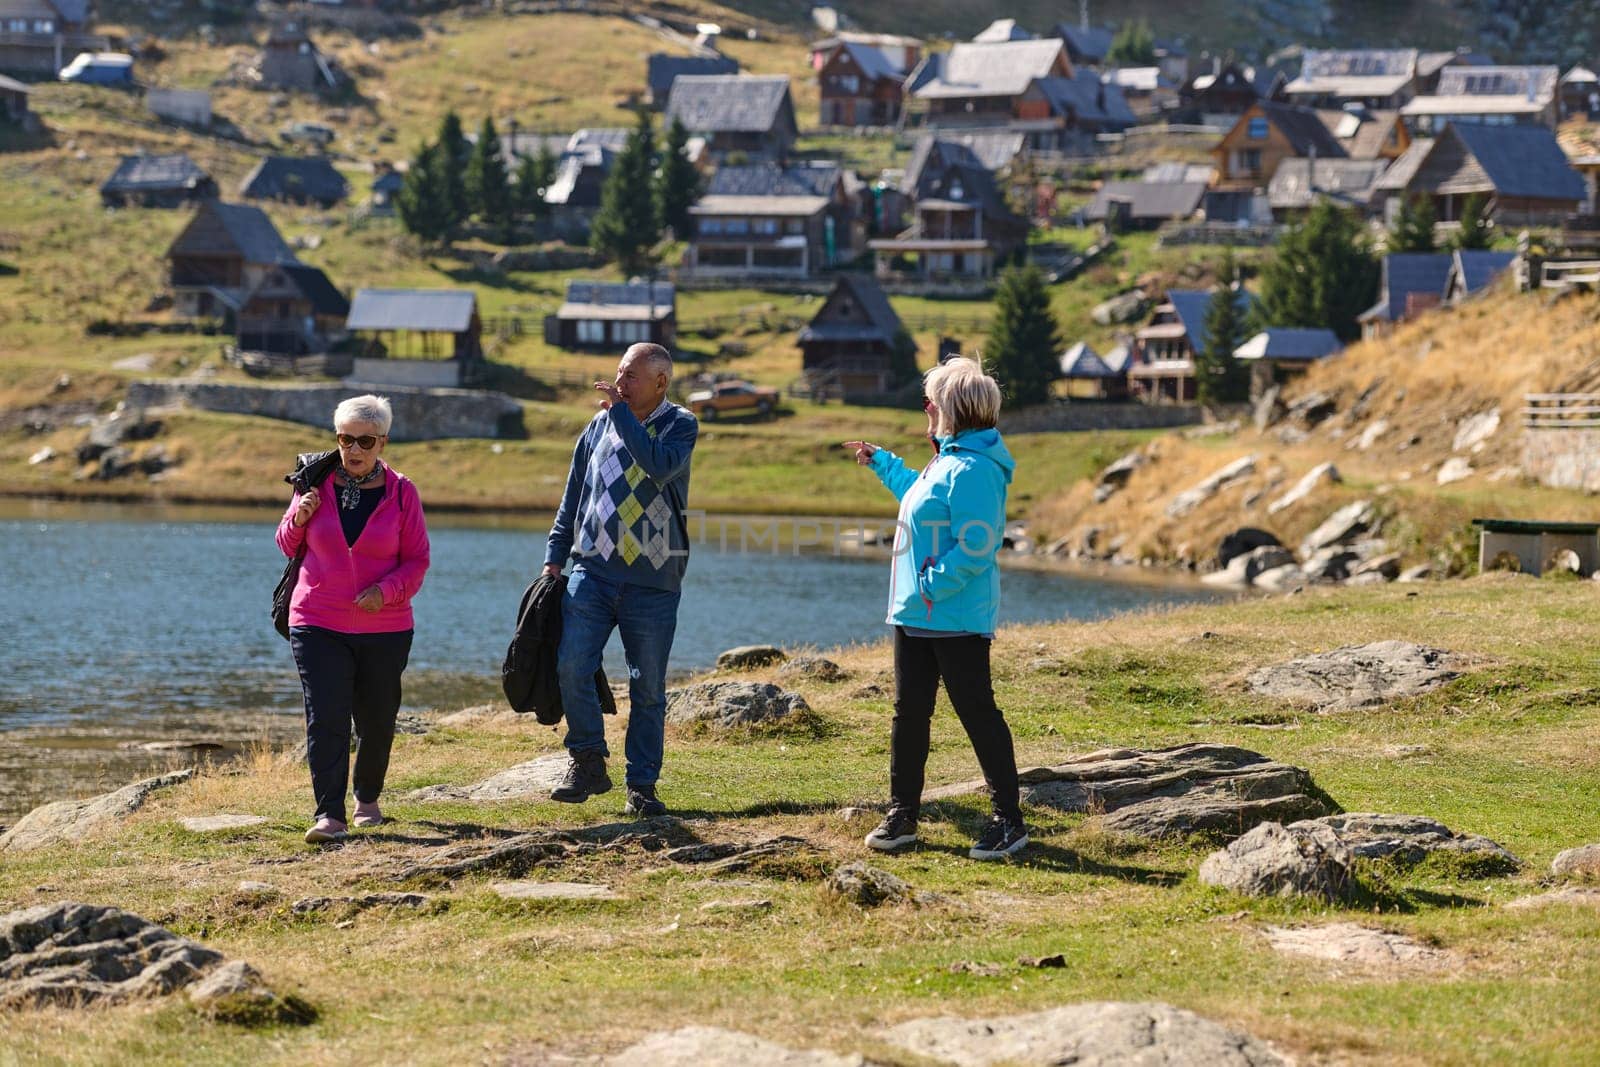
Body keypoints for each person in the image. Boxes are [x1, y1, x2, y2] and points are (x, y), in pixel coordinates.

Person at [842, 357, 1027, 860]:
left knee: (977, 714)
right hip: (915, 615)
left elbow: (976, 547)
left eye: (932, 400)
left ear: (953, 408)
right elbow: (919, 502)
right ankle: (903, 815)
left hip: (953, 617)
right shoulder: (945, 459)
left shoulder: (974, 469)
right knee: (910, 715)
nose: (925, 407)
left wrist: (929, 585)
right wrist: (885, 464)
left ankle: (1009, 821)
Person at [542, 343, 699, 817]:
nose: (621, 384)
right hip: (591, 570)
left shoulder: (682, 425)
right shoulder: (597, 426)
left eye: (631, 377)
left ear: (660, 382)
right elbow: (575, 494)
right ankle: (588, 759)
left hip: (653, 583)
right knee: (571, 664)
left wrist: (620, 413)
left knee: (647, 687)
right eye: (619, 374)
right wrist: (554, 554)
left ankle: (642, 785)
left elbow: (656, 463)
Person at [275, 395, 430, 844]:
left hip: (386, 626)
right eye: (346, 439)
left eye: (365, 440)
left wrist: (386, 592)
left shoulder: (403, 493)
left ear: (383, 442)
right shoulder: (314, 483)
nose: (354, 449)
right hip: (316, 619)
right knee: (326, 715)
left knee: (378, 718)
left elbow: (417, 561)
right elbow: (286, 544)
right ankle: (330, 815)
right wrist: (299, 519)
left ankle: (367, 798)